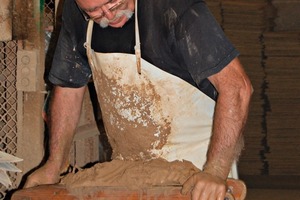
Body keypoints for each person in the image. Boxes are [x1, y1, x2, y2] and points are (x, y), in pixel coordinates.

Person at [24, 0, 253, 199]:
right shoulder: (76, 14)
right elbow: (68, 88)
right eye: (95, 12)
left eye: (113, 3)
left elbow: (237, 87)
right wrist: (54, 164)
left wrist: (215, 172)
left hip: (197, 167)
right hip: (130, 168)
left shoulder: (176, 9)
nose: (109, 16)